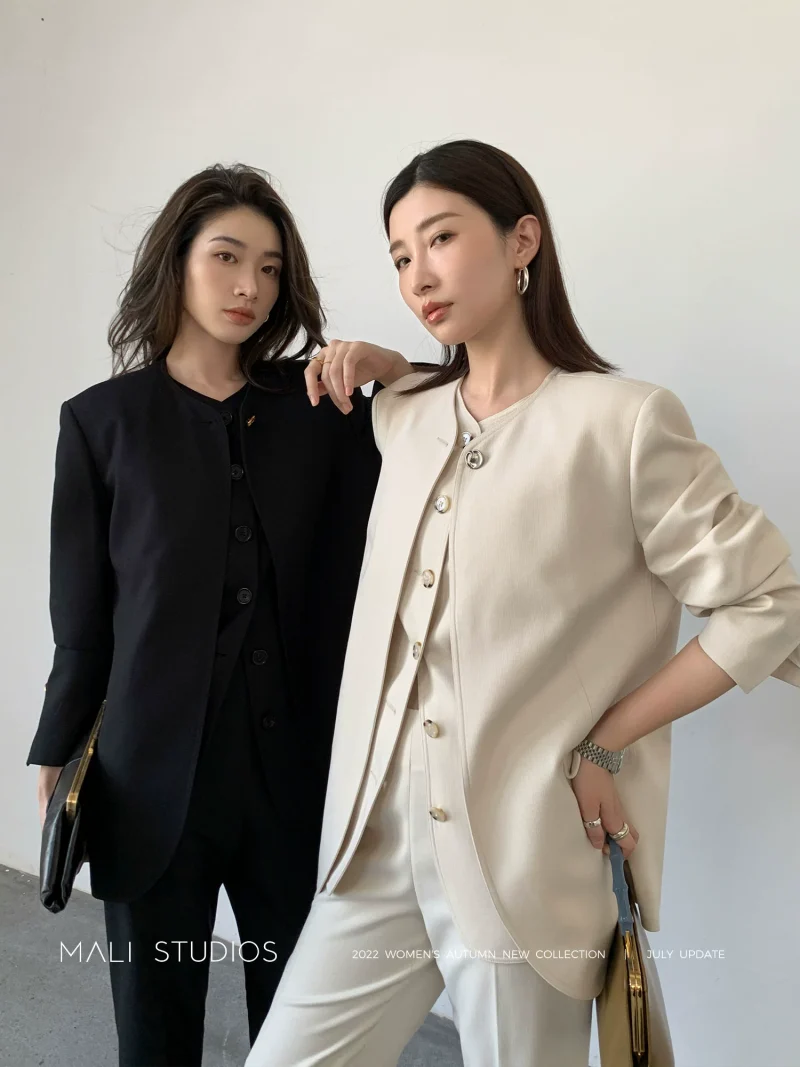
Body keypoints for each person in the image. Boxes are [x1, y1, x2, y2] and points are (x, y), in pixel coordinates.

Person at [246, 139, 800, 1067]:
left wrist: (608, 738)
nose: (418, 275)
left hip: (524, 853)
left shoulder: (623, 421)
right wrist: (385, 362)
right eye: (399, 256)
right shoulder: (405, 415)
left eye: (441, 238)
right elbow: (426, 390)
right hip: (373, 843)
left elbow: (769, 602)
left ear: (521, 240)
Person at [27, 163, 420, 1067]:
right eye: (228, 257)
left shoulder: (322, 408)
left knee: (306, 1029)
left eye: (271, 269)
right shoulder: (101, 424)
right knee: (155, 1024)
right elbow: (83, 618)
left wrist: (395, 372)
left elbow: (458, 424)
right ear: (177, 261)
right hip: (149, 777)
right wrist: (57, 747)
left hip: (299, 779)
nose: (251, 286)